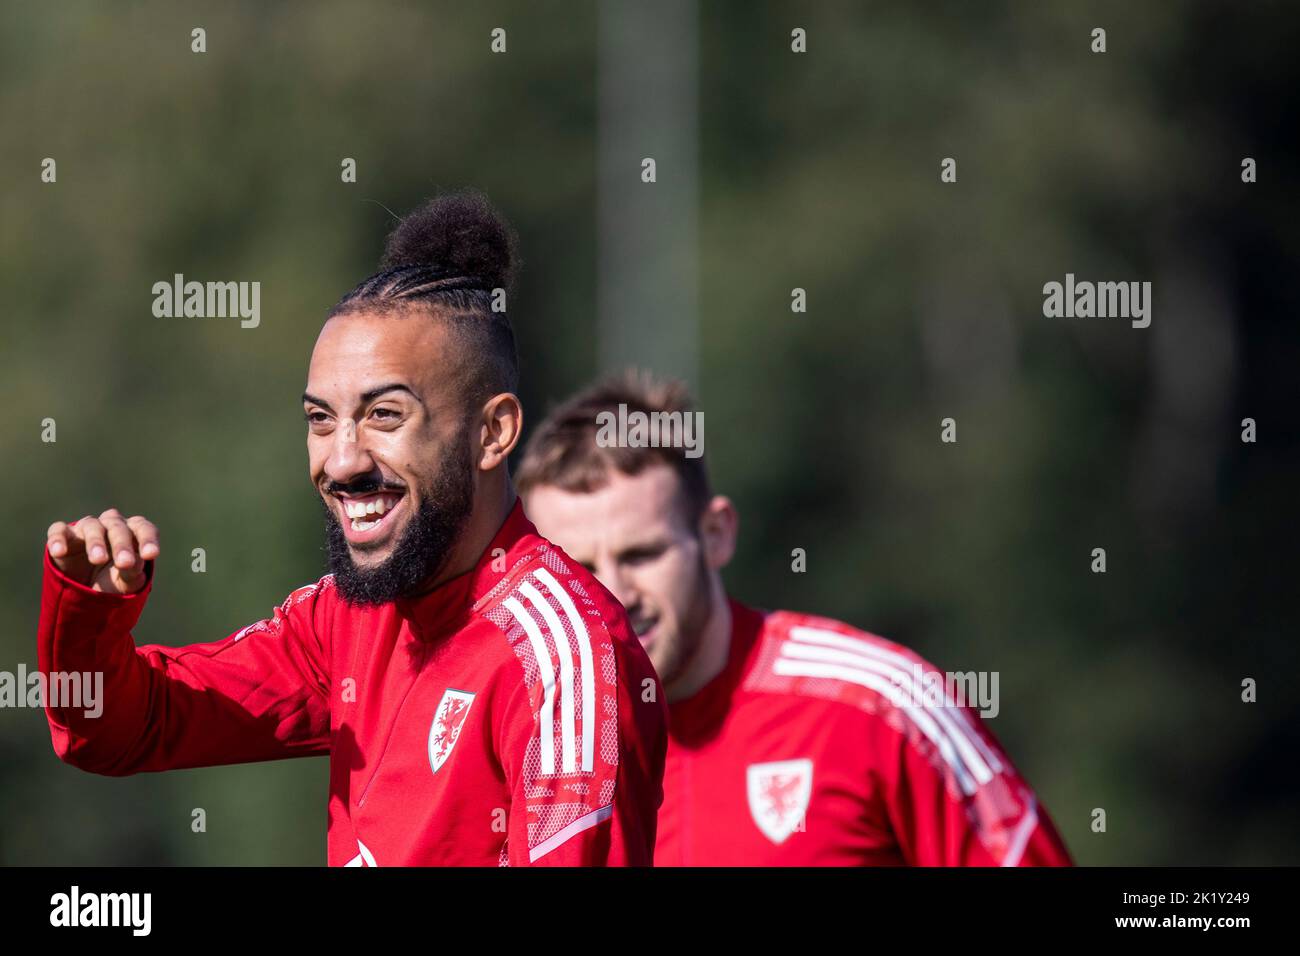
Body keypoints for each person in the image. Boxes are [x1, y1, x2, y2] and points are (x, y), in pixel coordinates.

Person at [37, 193, 667, 866]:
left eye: (384, 416)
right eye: (319, 419)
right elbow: (121, 731)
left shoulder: (562, 661)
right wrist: (88, 615)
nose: (341, 459)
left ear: (493, 432)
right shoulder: (347, 622)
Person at [517, 371, 1073, 865]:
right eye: (580, 570)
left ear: (715, 535)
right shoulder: (523, 748)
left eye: (643, 555)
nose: (614, 595)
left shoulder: (880, 703)